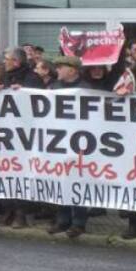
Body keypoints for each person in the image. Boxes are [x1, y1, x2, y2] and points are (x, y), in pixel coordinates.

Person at [47, 56, 91, 238]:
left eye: (61, 67)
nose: (57, 70)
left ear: (72, 70)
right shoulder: (53, 88)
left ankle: (79, 222)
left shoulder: (86, 89)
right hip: (58, 142)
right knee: (61, 181)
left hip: (79, 142)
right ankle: (63, 220)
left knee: (78, 181)